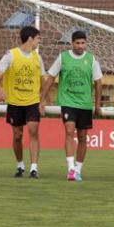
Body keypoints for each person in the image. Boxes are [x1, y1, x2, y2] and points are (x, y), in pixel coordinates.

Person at [40, 31, 103, 181]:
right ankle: (71, 169)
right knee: (69, 131)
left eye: (83, 43)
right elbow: (50, 78)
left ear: (86, 43)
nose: (80, 46)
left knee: (82, 137)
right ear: (72, 43)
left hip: (85, 104)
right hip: (68, 102)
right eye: (77, 43)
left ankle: (78, 170)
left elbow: (98, 82)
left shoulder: (91, 60)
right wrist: (42, 99)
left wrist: (98, 104)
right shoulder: (63, 57)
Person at [0, 26, 45, 178]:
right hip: (15, 102)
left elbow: (43, 81)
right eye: (38, 38)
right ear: (30, 38)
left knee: (33, 131)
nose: (38, 42)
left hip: (32, 102)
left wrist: (43, 100)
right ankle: (20, 165)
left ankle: (34, 167)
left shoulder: (38, 58)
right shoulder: (11, 55)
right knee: (17, 135)